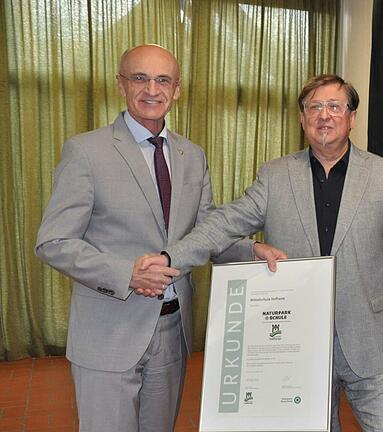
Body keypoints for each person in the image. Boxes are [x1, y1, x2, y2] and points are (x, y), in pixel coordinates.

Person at [142, 74, 383, 431]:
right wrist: (170, 259)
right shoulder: (275, 176)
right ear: (303, 119)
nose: (324, 115)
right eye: (314, 107)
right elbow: (222, 225)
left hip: (371, 344)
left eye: (334, 106)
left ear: (352, 117)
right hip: (295, 346)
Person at [35, 44, 254, 432]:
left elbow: (205, 230)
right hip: (108, 332)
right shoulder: (85, 151)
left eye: (162, 79)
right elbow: (53, 242)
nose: (151, 89)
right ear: (121, 84)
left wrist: (254, 250)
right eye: (139, 78)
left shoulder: (192, 155)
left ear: (178, 89)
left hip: (173, 332)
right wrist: (126, 273)